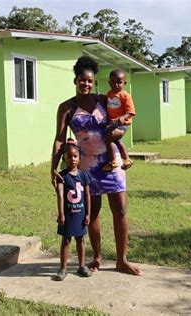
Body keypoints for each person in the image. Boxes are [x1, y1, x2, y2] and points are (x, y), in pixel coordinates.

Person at [51, 55, 142, 276]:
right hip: (87, 168)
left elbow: (125, 113)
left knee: (120, 210)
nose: (86, 84)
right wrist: (53, 168)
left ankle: (122, 260)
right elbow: (60, 139)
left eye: (90, 81)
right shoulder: (66, 108)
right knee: (93, 212)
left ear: (94, 82)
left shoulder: (104, 99)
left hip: (112, 164)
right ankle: (97, 258)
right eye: (82, 80)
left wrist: (122, 129)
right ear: (75, 81)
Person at [53, 138, 92, 281]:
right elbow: (61, 196)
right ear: (64, 158)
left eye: (75, 156)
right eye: (69, 156)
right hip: (68, 215)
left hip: (80, 214)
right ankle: (63, 268)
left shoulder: (84, 176)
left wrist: (88, 213)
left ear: (79, 157)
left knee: (81, 239)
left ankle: (82, 266)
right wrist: (61, 214)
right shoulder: (62, 176)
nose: (73, 159)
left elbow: (87, 196)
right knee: (66, 240)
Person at [102, 69, 136, 172]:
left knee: (108, 137)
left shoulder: (125, 96)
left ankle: (113, 161)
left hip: (122, 124)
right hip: (113, 123)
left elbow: (131, 112)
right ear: (109, 82)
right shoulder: (109, 94)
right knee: (116, 140)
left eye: (119, 82)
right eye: (113, 82)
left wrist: (123, 117)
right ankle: (126, 160)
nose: (116, 85)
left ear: (124, 83)